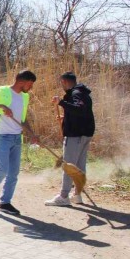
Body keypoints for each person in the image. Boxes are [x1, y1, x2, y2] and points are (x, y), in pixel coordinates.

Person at [0, 70, 38, 216]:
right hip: (2, 136)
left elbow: (22, 118)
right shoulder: (1, 91)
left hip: (17, 137)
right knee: (2, 169)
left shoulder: (25, 96)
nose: (31, 88)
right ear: (22, 82)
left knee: (14, 173)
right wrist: (1, 106)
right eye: (30, 84)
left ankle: (5, 202)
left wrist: (31, 133)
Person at [45, 72, 95, 206]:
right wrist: (66, 119)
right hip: (85, 134)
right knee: (79, 166)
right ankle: (77, 195)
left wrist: (61, 102)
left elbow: (78, 109)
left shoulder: (76, 93)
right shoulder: (83, 93)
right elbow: (83, 114)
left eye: (61, 83)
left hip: (76, 135)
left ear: (65, 82)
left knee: (68, 166)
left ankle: (63, 196)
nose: (61, 86)